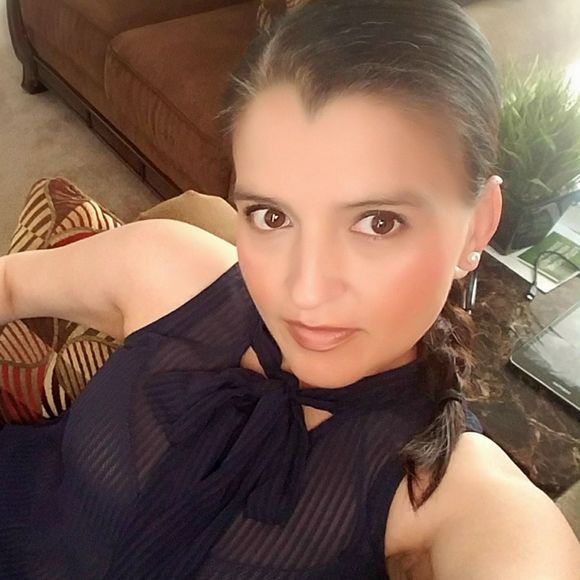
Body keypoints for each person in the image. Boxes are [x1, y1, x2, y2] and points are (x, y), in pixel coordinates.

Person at [0, 0, 578, 578]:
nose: (305, 291)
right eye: (271, 216)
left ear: (476, 226)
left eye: (379, 222)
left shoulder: (460, 495)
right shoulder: (167, 268)